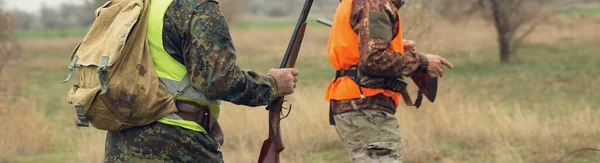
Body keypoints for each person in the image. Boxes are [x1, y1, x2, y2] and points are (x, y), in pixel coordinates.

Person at [103, 0, 299, 162]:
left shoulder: (135, 5)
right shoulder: (197, 7)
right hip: (178, 144)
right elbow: (218, 80)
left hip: (120, 145)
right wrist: (272, 84)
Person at [324, 0, 454, 162]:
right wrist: (422, 61)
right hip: (366, 105)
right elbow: (373, 58)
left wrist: (396, 47)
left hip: (355, 103)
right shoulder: (376, 3)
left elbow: (367, 51)